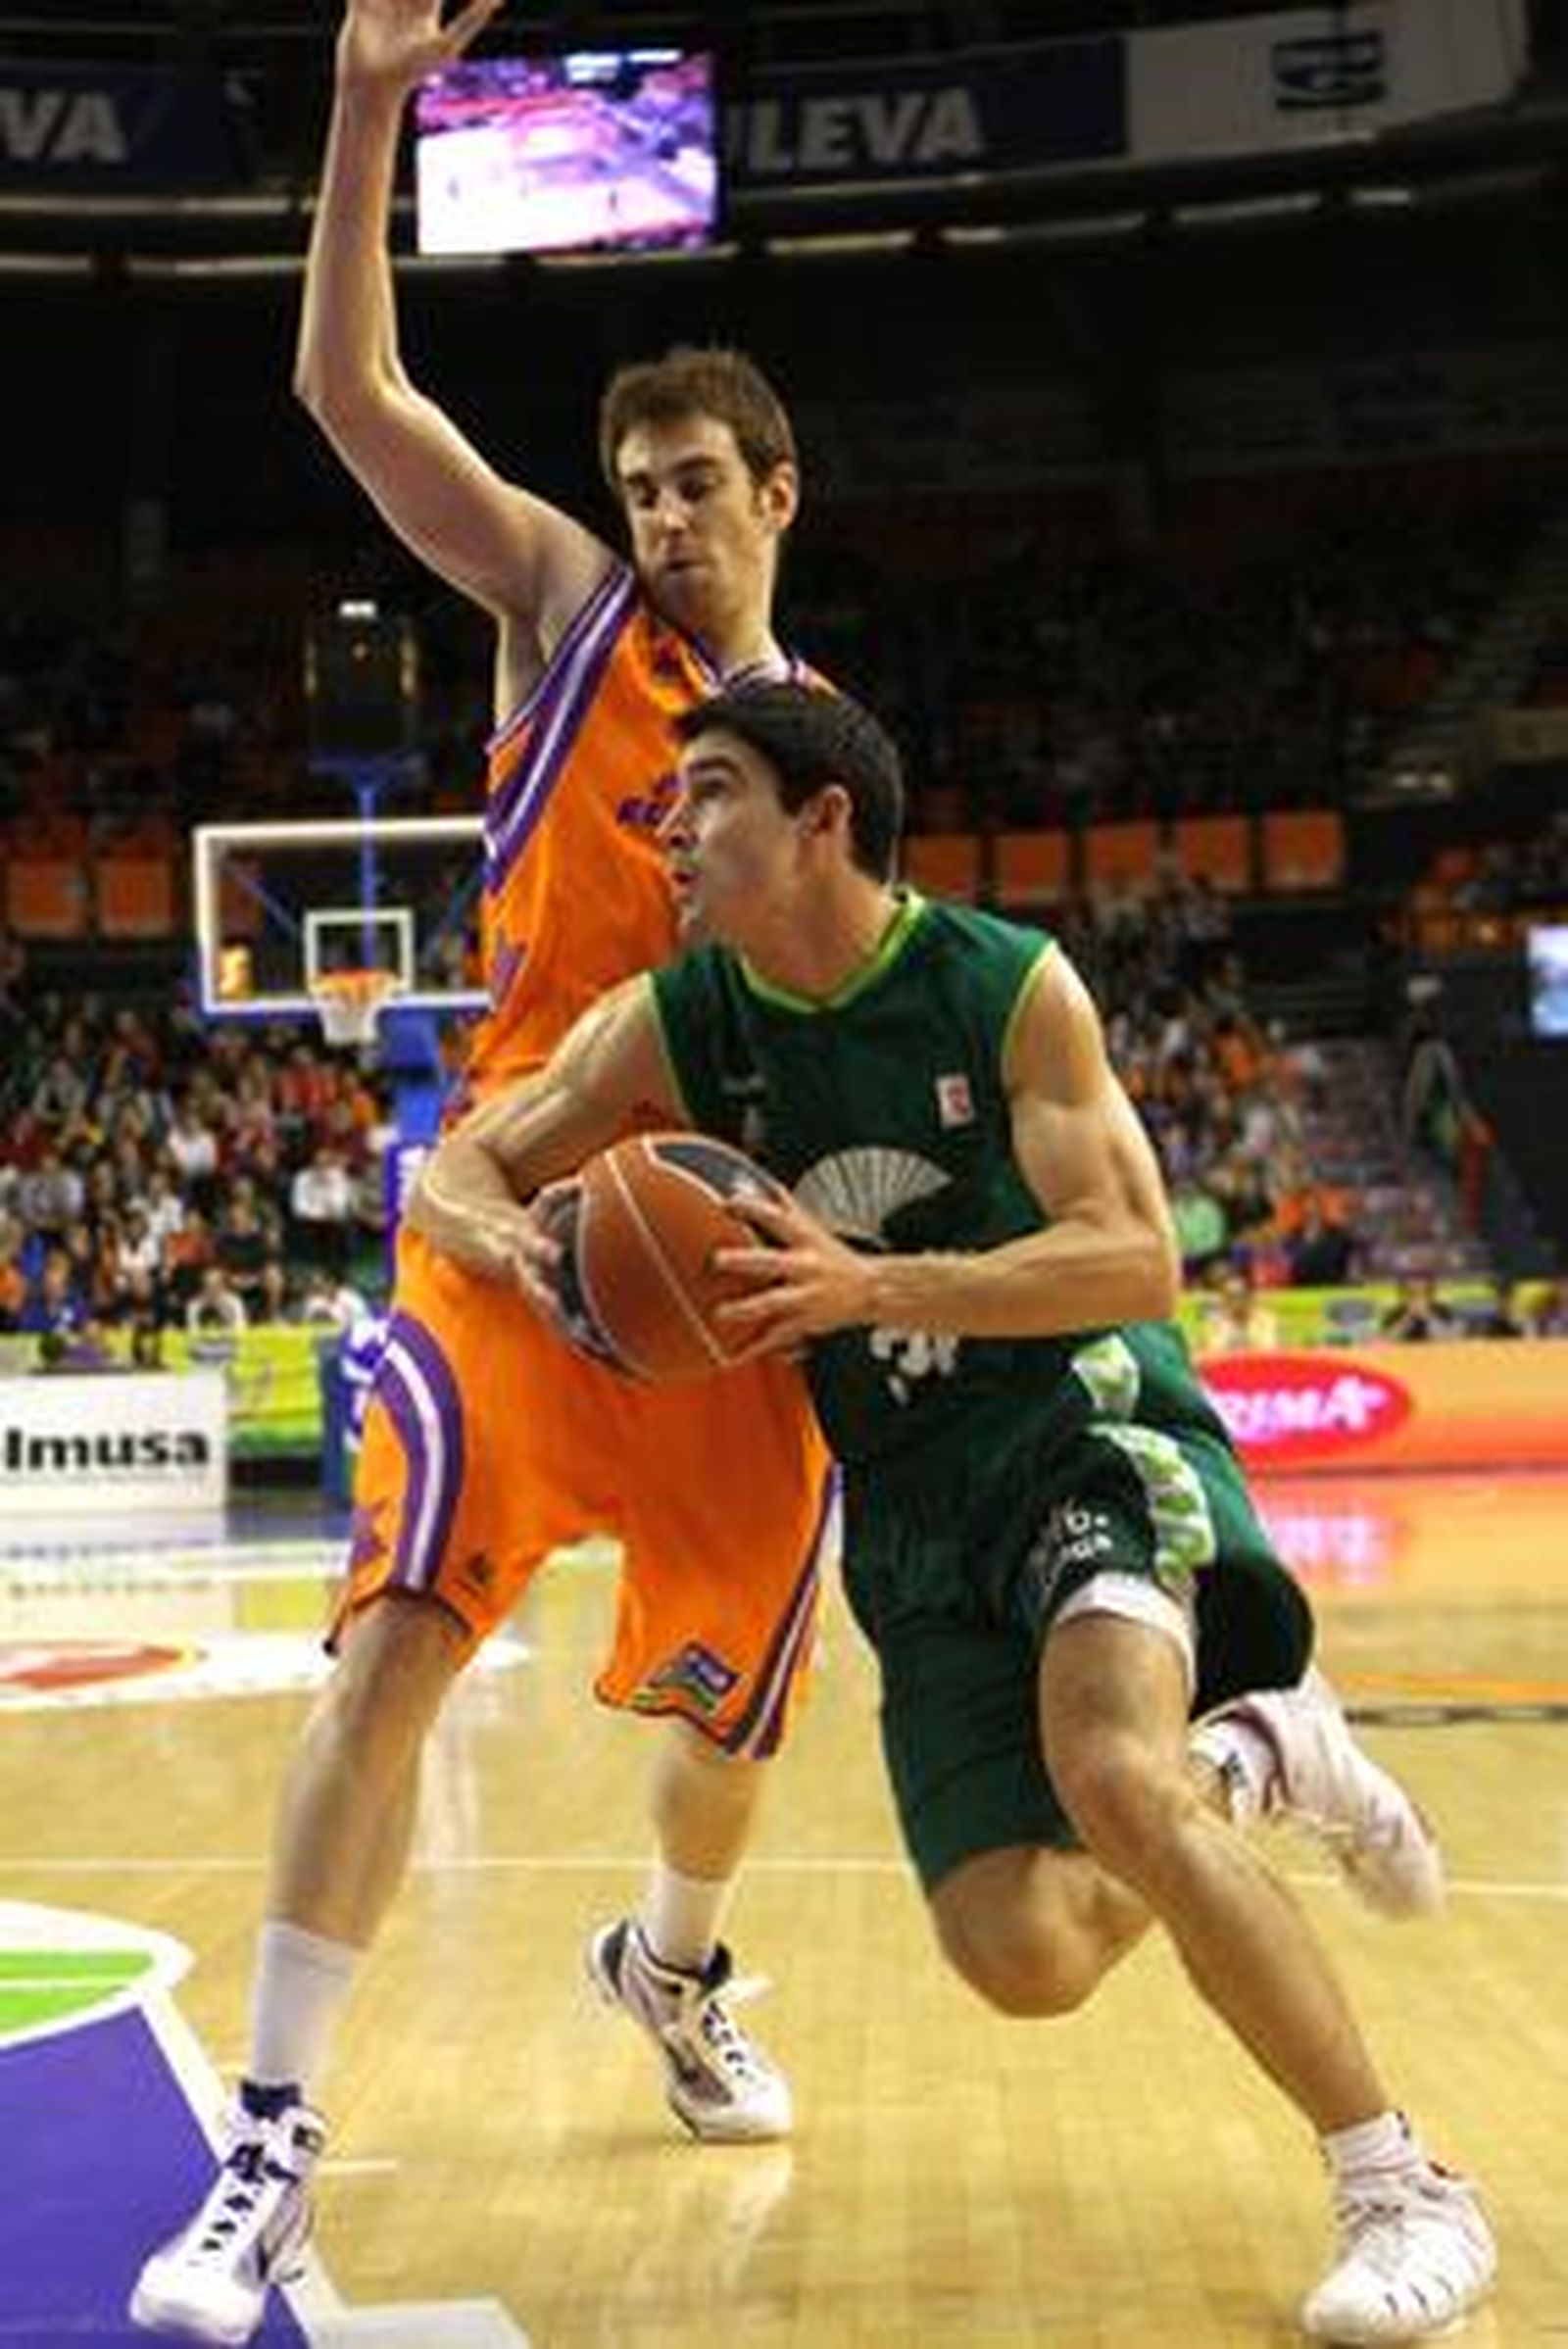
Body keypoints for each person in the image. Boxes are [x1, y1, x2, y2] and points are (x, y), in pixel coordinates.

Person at [409, 680, 1494, 2346]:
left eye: (704, 793)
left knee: (1110, 1774)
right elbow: (456, 1166)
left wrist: (870, 1282)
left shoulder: (1002, 983)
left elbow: (1139, 1257)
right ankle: (1266, 1754)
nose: (671, 828)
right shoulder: (676, 1016)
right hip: (912, 1518)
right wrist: (526, 1255)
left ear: (820, 819)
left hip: (1080, 1430)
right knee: (1023, 1949)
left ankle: (1402, 2181)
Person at [130, 6, 834, 2341]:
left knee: (737, 1714)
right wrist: (361, 115)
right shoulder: (559, 614)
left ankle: (669, 1965)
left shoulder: (828, 749)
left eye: (694, 482)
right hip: (510, 1223)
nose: (657, 512)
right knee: (400, 1631)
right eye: (634, 480)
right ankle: (270, 2147)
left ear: (775, 494)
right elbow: (353, 401)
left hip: (718, 1260)